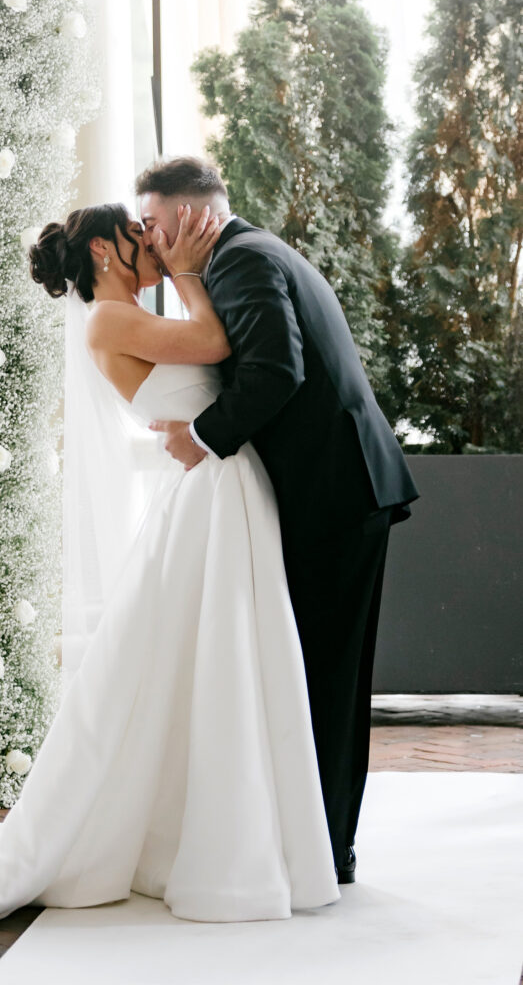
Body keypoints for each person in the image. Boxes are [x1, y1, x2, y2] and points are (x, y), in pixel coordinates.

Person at [0, 201, 340, 939]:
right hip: (210, 495)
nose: (152, 246)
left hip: (219, 489)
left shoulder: (122, 313)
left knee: (219, 663)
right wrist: (193, 273)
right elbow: (211, 340)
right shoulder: (109, 320)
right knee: (218, 659)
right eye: (137, 238)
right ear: (104, 252)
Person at [136, 156, 420, 883]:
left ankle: (324, 852)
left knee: (324, 677)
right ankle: (315, 843)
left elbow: (274, 371)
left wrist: (197, 439)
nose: (152, 242)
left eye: (155, 225)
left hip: (333, 492)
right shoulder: (244, 255)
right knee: (315, 674)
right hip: (333, 488)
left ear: (192, 216)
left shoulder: (241, 262)